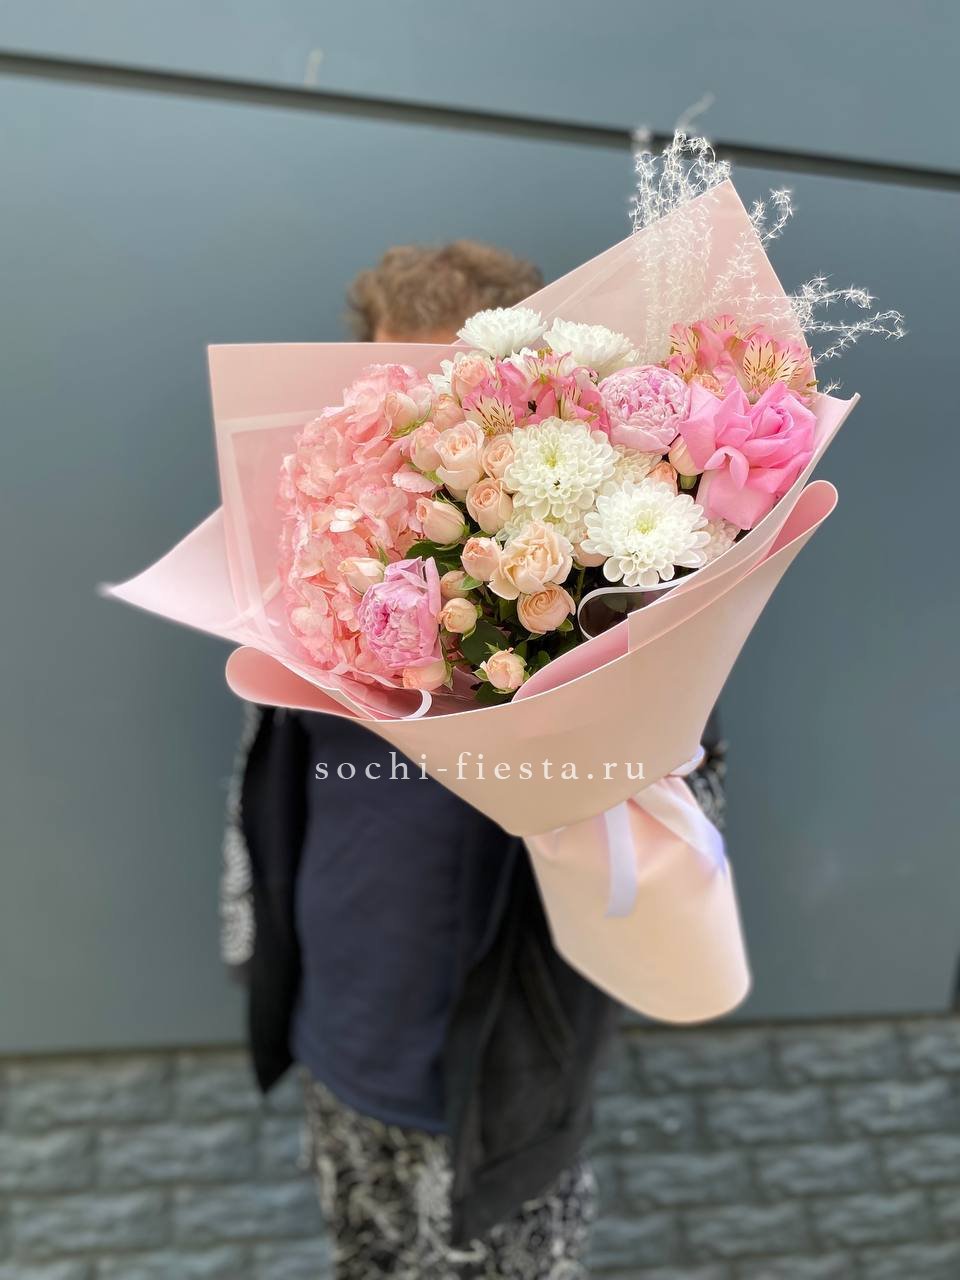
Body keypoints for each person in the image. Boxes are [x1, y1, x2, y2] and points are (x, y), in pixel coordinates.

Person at [221, 240, 727, 1279]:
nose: (408, 423)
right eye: (384, 388)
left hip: (506, 1069)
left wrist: (600, 717)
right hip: (337, 1032)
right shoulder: (310, 564)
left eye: (440, 394)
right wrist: (250, 936)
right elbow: (265, 771)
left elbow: (693, 810)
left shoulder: (603, 587)